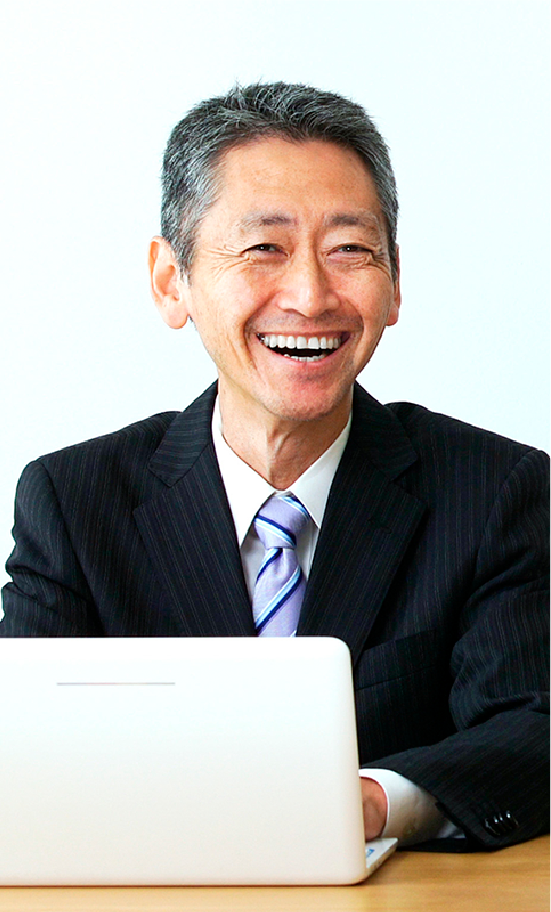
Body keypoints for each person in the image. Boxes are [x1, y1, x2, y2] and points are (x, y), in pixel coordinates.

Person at [2, 82, 551, 851]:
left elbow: (532, 726)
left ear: (394, 282)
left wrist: (368, 802)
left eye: (349, 250)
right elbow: (22, 747)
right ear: (171, 280)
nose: (309, 295)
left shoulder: (494, 491)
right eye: (264, 248)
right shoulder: (73, 501)